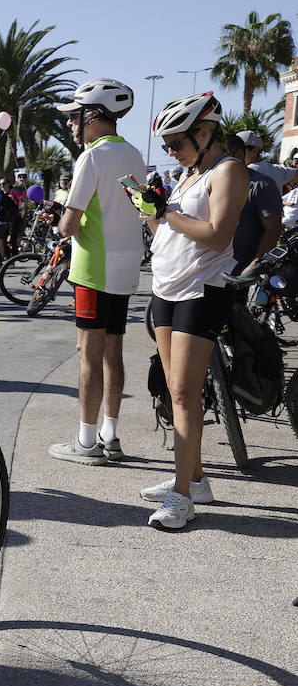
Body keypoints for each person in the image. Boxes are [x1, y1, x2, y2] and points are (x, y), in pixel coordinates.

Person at [136, 92, 246, 529]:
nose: (170, 152)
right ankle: (194, 478)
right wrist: (149, 210)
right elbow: (168, 230)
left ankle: (183, 497)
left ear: (204, 133)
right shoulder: (187, 174)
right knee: (172, 389)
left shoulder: (229, 171)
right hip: (166, 287)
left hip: (202, 289)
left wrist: (165, 211)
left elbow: (218, 236)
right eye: (165, 145)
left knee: (183, 393)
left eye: (176, 143)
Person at [47, 78, 145, 466]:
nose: (70, 125)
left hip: (92, 268)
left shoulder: (92, 156)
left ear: (94, 116)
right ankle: (110, 434)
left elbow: (69, 226)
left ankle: (86, 443)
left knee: (88, 354)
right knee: (113, 351)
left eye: (74, 117)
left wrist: (60, 225)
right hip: (125, 267)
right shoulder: (135, 153)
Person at [223, 133, 283, 276]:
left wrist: (255, 266)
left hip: (236, 273)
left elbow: (273, 228)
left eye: (222, 158)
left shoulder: (261, 184)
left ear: (238, 155)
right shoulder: (208, 182)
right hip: (205, 271)